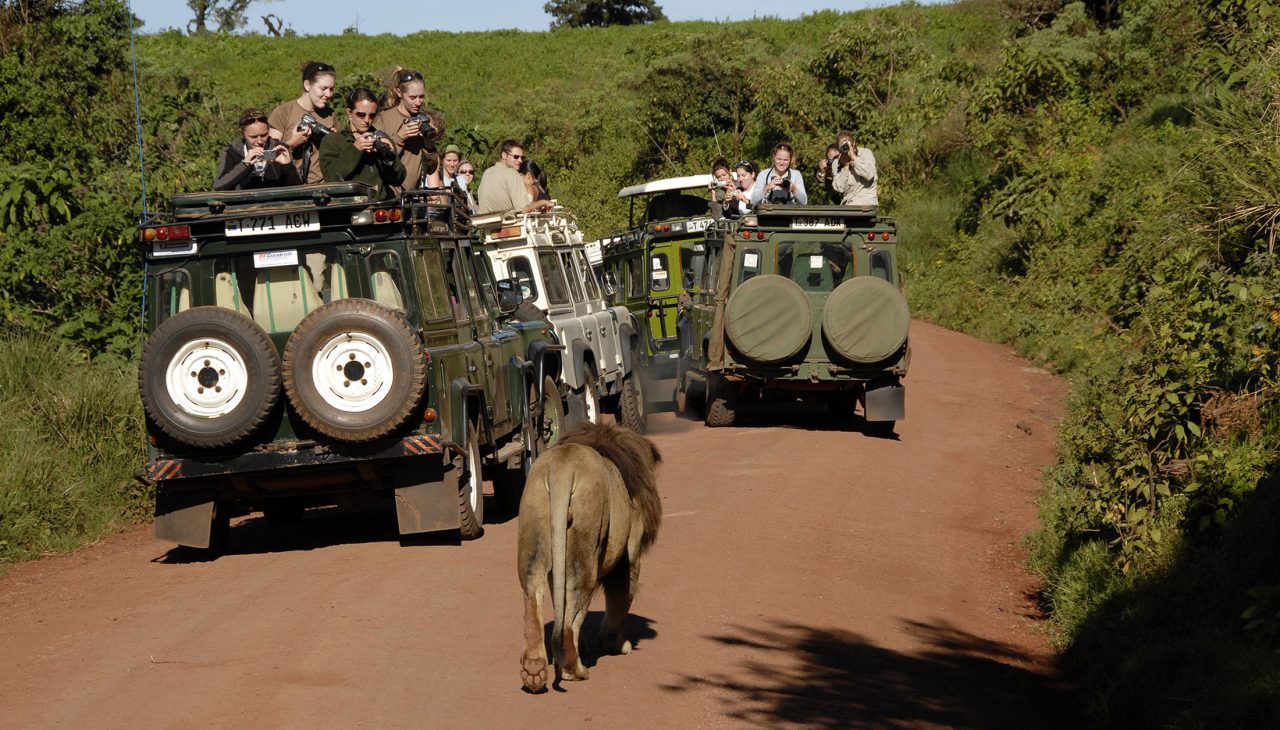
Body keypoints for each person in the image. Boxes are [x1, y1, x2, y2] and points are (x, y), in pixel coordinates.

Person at [319, 87, 406, 201]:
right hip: (348, 209)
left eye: (372, 115)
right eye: (361, 115)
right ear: (349, 113)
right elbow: (331, 178)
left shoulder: (382, 139)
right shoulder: (333, 140)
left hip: (380, 207)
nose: (367, 120)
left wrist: (388, 158)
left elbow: (397, 179)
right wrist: (355, 149)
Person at [373, 68, 442, 193]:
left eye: (421, 97)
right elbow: (375, 161)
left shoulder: (425, 119)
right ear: (399, 93)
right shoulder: (383, 119)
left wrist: (429, 146)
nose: (418, 102)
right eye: (413, 97)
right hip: (388, 195)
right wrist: (399, 137)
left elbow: (431, 168)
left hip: (413, 196)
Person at [268, 60, 337, 184]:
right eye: (323, 88)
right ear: (307, 85)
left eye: (331, 89)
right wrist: (292, 143)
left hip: (323, 189)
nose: (329, 94)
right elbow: (265, 157)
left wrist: (335, 141)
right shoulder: (283, 112)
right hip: (290, 188)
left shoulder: (330, 114)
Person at [214, 108, 300, 191]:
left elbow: (298, 188)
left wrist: (288, 166)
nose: (259, 141)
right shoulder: (232, 152)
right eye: (253, 137)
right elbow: (219, 186)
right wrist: (245, 165)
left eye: (264, 135)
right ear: (242, 133)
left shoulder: (278, 149)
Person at [477, 140, 552, 215]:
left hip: (485, 223)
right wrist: (543, 202)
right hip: (506, 224)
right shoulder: (512, 173)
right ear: (504, 155)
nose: (520, 161)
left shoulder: (487, 172)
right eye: (515, 157)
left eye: (522, 157)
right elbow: (522, 209)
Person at [831, 130, 878, 206]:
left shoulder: (865, 153)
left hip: (866, 204)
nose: (846, 145)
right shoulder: (836, 163)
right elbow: (839, 188)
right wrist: (845, 167)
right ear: (838, 148)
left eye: (848, 142)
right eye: (842, 143)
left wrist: (854, 158)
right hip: (848, 206)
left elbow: (869, 175)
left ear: (854, 143)